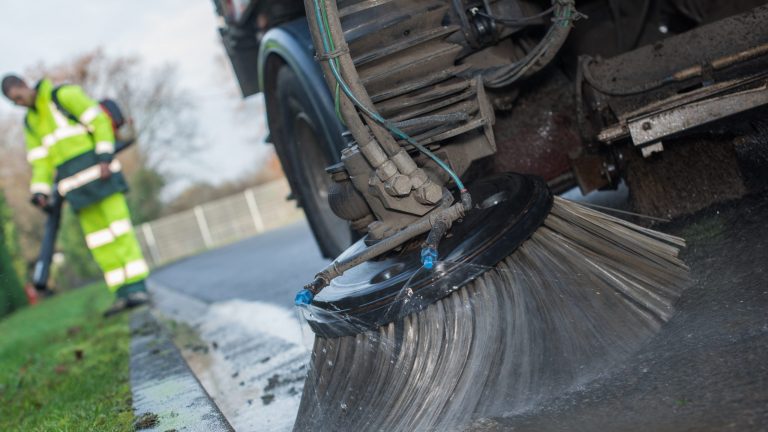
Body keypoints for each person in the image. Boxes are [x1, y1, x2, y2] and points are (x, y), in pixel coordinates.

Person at [2, 74, 150, 316]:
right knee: (99, 242)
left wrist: (104, 156)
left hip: (103, 178)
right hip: (76, 191)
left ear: (23, 86)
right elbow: (40, 162)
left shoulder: (63, 96)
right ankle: (122, 293)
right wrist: (39, 191)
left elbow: (100, 122)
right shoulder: (31, 123)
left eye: (17, 97)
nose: (19, 103)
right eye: (14, 102)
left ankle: (138, 288)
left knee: (120, 232)